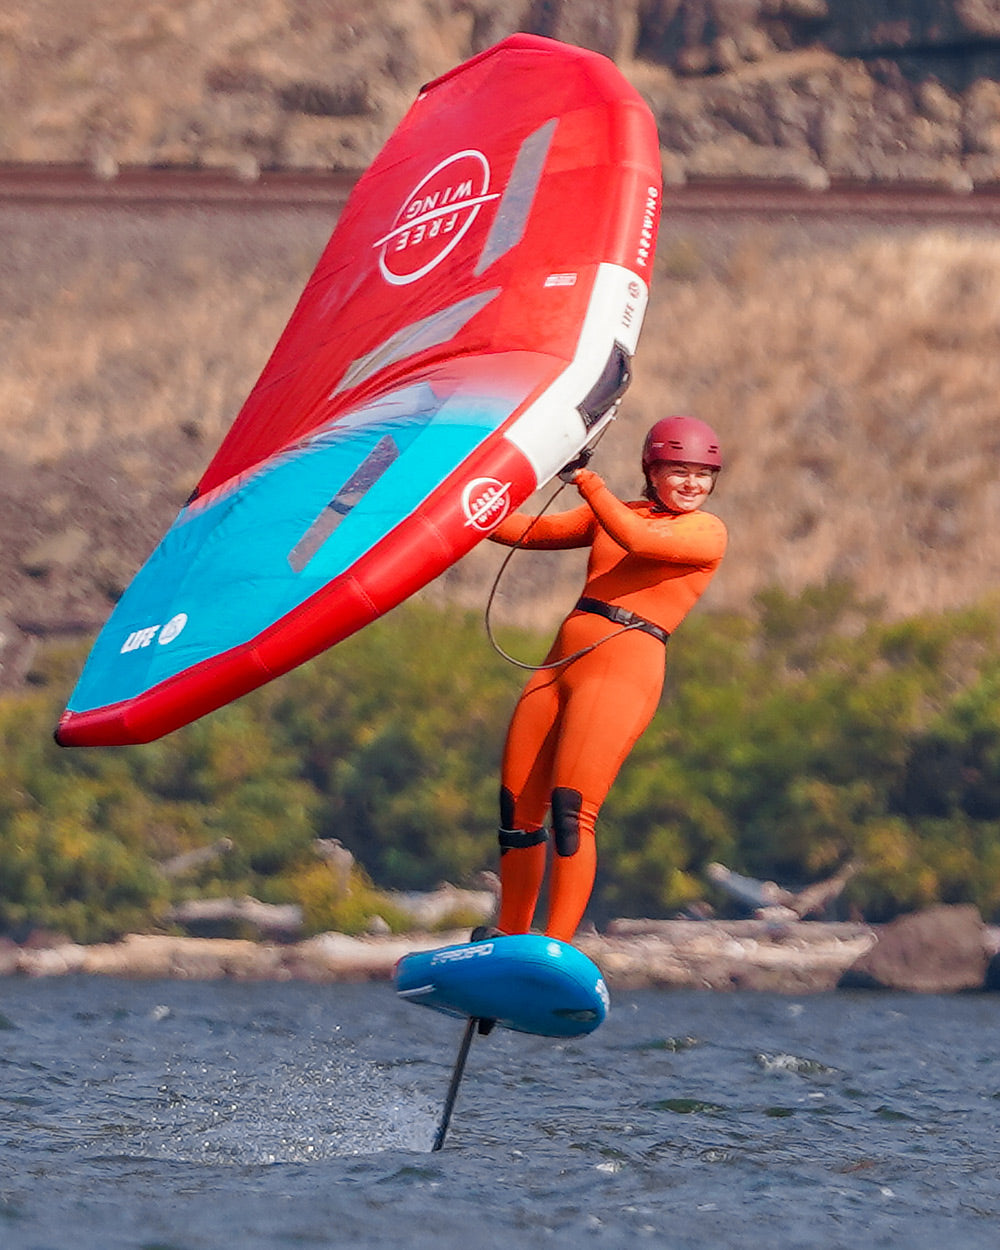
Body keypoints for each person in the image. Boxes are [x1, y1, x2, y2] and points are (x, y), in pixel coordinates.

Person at [483, 415, 728, 942]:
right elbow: (523, 531)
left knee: (572, 810)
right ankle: (508, 937)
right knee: (516, 811)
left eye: (702, 474)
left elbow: (637, 541)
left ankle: (555, 943)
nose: (691, 484)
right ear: (651, 471)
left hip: (622, 671)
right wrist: (461, 501)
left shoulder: (705, 531)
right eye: (678, 470)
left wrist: (588, 481)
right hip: (558, 668)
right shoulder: (617, 513)